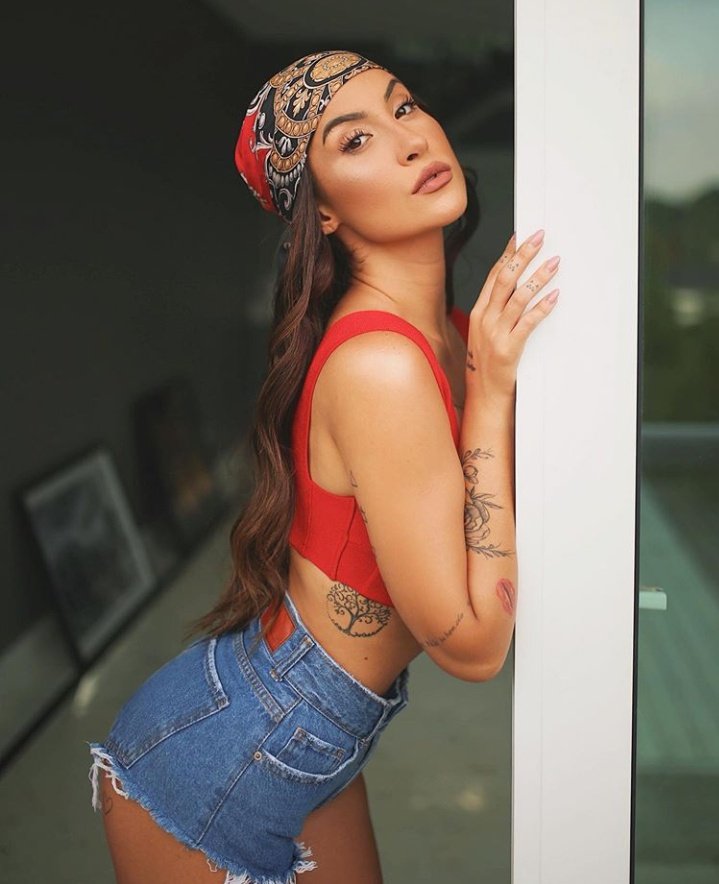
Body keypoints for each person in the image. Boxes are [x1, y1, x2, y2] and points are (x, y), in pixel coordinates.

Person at [86, 49, 561, 884]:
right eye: (354, 140)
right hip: (223, 753)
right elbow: (473, 648)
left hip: (310, 737)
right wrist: (490, 392)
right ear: (325, 214)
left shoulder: (452, 332)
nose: (409, 140)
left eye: (403, 106)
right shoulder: (382, 366)